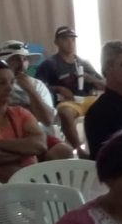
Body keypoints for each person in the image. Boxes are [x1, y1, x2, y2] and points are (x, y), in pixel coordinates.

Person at [0, 40, 74, 160]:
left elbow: (48, 120)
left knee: (64, 151)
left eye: (25, 59)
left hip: (37, 133)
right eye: (16, 59)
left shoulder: (37, 85)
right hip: (7, 134)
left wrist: (30, 90)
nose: (21, 64)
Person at [35, 26, 105, 155]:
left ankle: (105, 145)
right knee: (65, 113)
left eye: (72, 39)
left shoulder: (83, 62)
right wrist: (58, 88)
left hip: (88, 99)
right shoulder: (50, 64)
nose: (70, 42)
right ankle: (79, 150)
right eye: (65, 39)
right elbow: (38, 87)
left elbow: (105, 85)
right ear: (56, 42)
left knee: (109, 105)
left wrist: (92, 79)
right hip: (68, 102)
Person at [0, 61, 47, 182]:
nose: (10, 88)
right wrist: (24, 152)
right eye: (1, 83)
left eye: (12, 82)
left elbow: (40, 145)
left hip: (31, 182)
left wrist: (1, 144)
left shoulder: (20, 113)